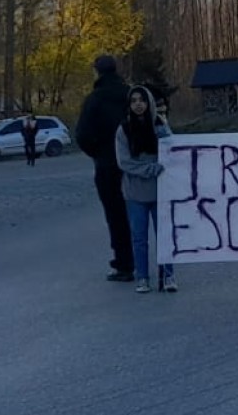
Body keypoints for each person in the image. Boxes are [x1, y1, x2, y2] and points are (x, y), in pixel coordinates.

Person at [73, 54, 135, 282]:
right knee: (140, 210)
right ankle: (151, 257)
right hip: (134, 163)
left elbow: (82, 135)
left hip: (108, 164)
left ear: (97, 72)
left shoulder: (94, 100)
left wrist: (98, 153)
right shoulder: (130, 95)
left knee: (115, 214)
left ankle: (124, 262)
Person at [115, 85, 175, 294]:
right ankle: (142, 277)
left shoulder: (159, 126)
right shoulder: (123, 129)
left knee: (164, 235)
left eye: (141, 100)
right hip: (135, 192)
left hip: (160, 190)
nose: (138, 104)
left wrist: (165, 127)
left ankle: (168, 275)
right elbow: (124, 162)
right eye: (134, 101)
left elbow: (172, 151)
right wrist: (149, 168)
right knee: (139, 237)